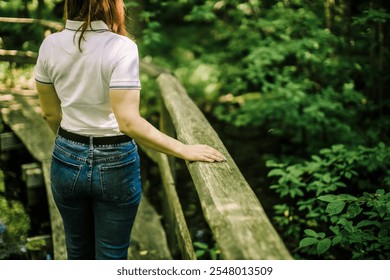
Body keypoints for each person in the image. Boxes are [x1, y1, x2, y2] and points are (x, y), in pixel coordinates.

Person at [35, 0, 226, 260]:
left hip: (67, 156)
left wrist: (71, 146)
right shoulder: (121, 47)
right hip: (114, 161)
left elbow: (49, 113)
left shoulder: (50, 45)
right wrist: (183, 149)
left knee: (77, 251)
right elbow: (128, 122)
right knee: (111, 257)